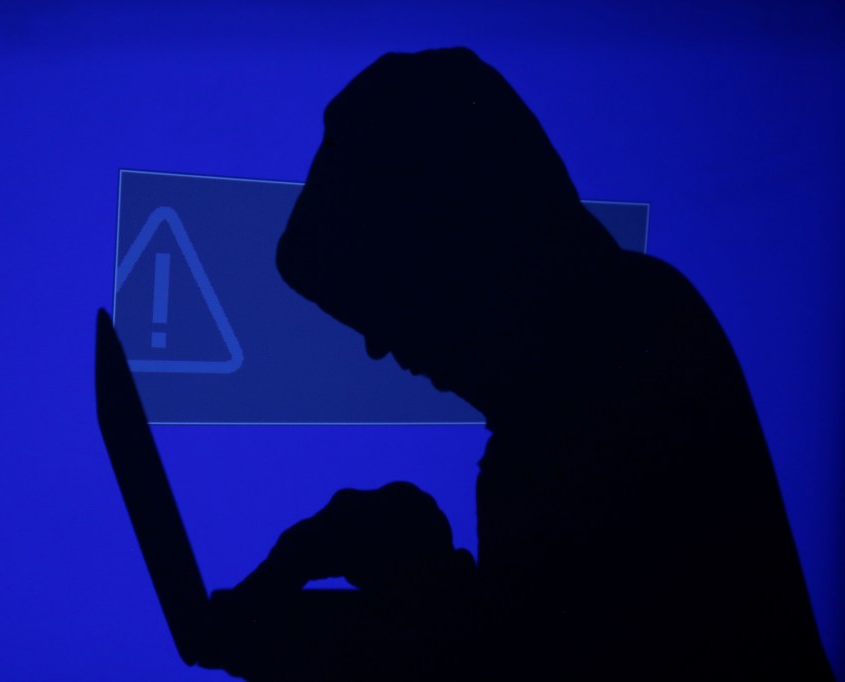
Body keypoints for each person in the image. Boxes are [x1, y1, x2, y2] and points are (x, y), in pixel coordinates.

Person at [204, 47, 835, 681]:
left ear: (451, 250)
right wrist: (412, 579)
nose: (378, 343)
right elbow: (553, 629)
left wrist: (363, 619)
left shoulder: (579, 402)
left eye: (384, 299)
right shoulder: (634, 319)